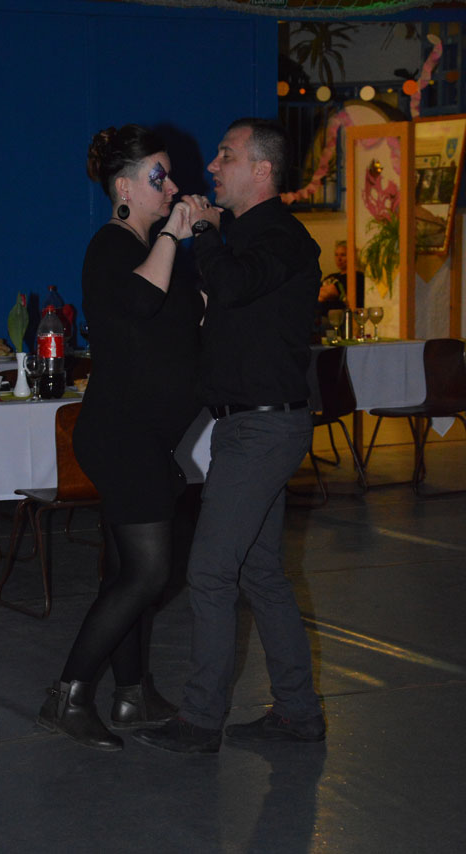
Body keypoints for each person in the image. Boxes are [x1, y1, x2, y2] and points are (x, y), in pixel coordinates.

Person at [134, 117, 326, 754]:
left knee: (211, 573)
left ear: (262, 170)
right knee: (260, 573)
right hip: (248, 424)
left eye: (226, 155)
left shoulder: (282, 237)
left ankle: (199, 721)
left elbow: (233, 285)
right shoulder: (246, 236)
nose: (213, 167)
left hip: (264, 427)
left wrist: (205, 234)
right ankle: (297, 713)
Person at [37, 124, 203, 752]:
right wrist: (171, 236)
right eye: (159, 175)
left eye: (170, 173)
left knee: (131, 572)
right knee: (151, 573)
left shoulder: (157, 252)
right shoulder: (110, 247)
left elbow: (191, 316)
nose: (173, 186)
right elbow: (138, 302)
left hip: (144, 437)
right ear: (125, 188)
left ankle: (132, 695)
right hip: (121, 435)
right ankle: (68, 696)